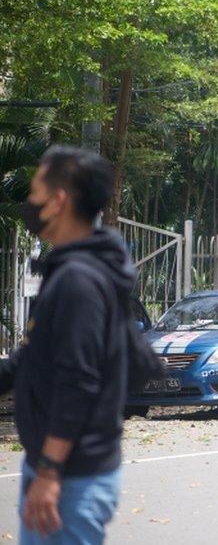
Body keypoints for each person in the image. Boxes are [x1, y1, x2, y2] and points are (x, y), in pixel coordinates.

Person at [0, 145, 135, 544]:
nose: (31, 202)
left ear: (58, 201)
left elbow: (78, 381)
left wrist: (48, 472)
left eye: (36, 191)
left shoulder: (79, 281)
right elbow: (29, 363)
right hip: (63, 471)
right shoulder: (72, 270)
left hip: (69, 477)